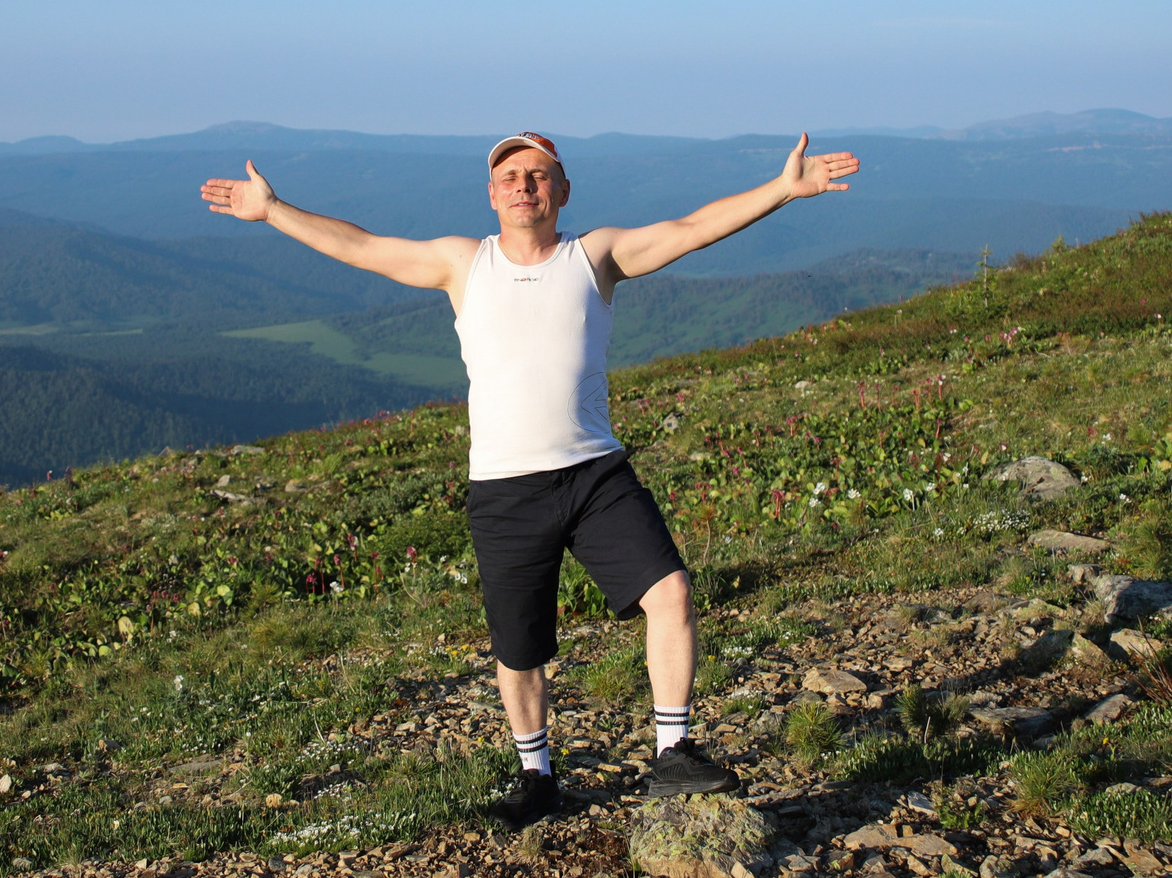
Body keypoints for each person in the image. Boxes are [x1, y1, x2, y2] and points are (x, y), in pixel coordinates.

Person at [199, 130, 860, 824]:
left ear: (562, 191)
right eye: (511, 176)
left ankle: (673, 751)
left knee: (670, 592)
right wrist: (274, 210)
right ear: (492, 194)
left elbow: (693, 229)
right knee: (520, 648)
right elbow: (363, 247)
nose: (524, 185)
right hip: (504, 487)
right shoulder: (463, 263)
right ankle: (537, 777)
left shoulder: (595, 256)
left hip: (595, 472)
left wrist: (782, 189)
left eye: (539, 175)